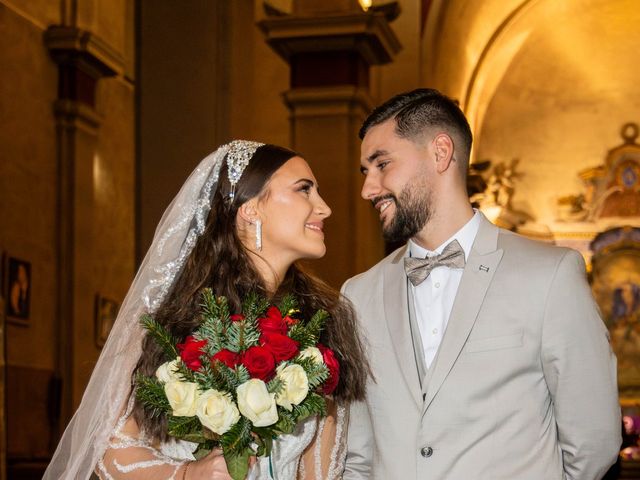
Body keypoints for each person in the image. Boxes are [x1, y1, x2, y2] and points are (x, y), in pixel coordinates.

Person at [44, 141, 370, 479]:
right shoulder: (173, 319)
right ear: (251, 209)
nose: (324, 208)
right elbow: (111, 447)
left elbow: (318, 465)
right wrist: (188, 474)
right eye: (304, 190)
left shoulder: (323, 322)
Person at [342, 89, 621, 479]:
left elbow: (594, 438)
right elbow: (359, 453)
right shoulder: (357, 295)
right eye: (365, 172)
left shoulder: (550, 274)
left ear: (441, 153)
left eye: (382, 164)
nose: (368, 189)